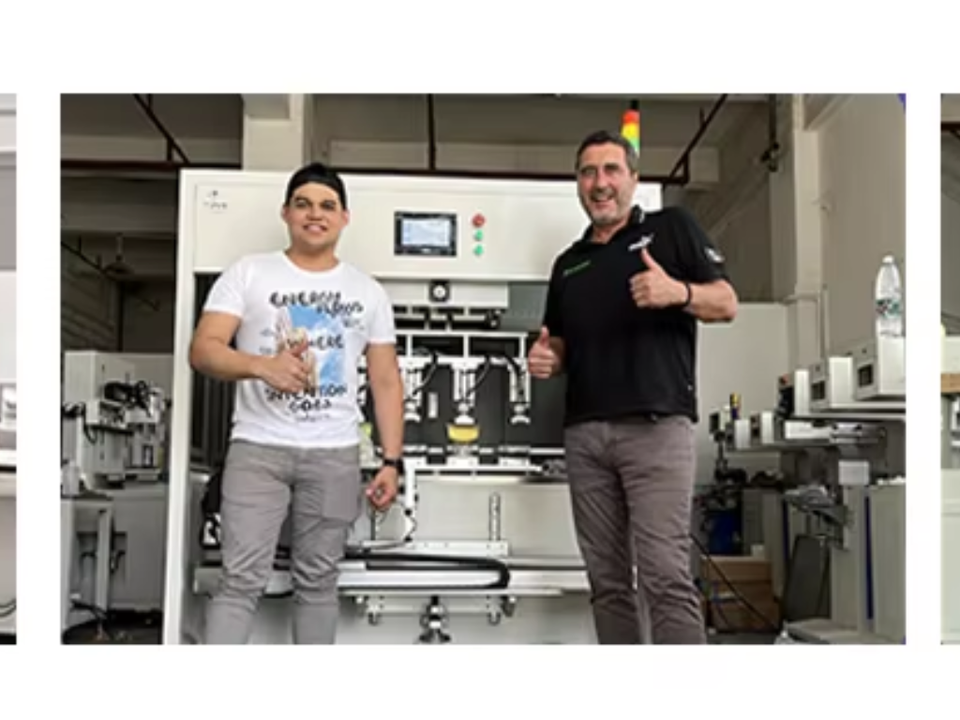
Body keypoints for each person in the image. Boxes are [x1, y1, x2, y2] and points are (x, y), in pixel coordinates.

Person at [527, 130, 738, 644]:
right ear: (578, 184)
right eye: (588, 172)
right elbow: (560, 344)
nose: (599, 183)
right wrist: (548, 358)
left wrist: (677, 291)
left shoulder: (671, 229)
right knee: (607, 583)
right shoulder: (568, 264)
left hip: (655, 429)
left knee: (664, 576)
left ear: (634, 179)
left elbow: (726, 302)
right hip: (585, 437)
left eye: (611, 170)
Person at [189, 162, 404, 644]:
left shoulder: (367, 291)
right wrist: (262, 366)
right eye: (303, 204)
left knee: (318, 583)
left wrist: (391, 462)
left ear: (344, 217)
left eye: (327, 205)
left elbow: (386, 380)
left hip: (334, 455)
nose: (315, 214)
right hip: (257, 450)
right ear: (285, 212)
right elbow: (203, 350)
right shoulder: (249, 273)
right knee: (240, 580)